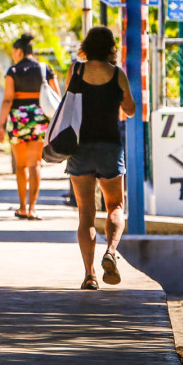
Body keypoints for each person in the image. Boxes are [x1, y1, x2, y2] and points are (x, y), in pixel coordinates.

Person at [65, 26, 136, 290]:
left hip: (79, 147)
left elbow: (67, 103)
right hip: (110, 147)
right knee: (115, 206)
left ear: (86, 46)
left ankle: (90, 275)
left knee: (85, 213)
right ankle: (111, 252)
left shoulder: (76, 70)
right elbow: (130, 110)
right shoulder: (118, 74)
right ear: (110, 48)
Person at [0, 33, 60, 221]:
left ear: (19, 51)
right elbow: (58, 96)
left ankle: (22, 207)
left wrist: (1, 124)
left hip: (18, 120)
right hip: (39, 120)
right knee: (35, 165)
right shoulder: (44, 68)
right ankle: (33, 208)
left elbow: (8, 99)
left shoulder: (13, 71)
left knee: (21, 166)